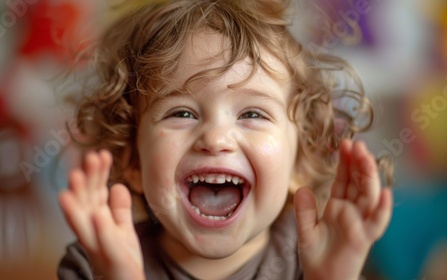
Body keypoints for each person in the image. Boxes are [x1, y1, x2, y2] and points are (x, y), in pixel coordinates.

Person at [57, 0, 393, 279]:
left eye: (252, 114)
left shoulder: (319, 262)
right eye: (182, 113)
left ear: (300, 164)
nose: (216, 139)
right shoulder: (97, 262)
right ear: (132, 160)